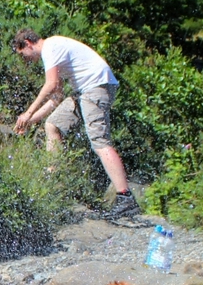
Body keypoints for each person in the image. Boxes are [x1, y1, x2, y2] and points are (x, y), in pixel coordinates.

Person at [12, 29, 137, 219]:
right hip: (86, 91)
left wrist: (27, 112)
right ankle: (54, 176)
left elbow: (51, 84)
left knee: (100, 142)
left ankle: (125, 197)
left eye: (23, 54)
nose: (25, 60)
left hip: (96, 88)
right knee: (53, 124)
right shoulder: (54, 53)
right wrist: (29, 121)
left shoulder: (51, 47)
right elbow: (56, 98)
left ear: (28, 43)